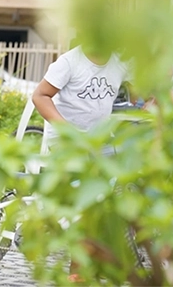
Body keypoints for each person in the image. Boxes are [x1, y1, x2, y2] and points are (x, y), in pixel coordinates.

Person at [31, 32, 130, 282]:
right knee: (89, 209)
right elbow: (40, 96)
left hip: (100, 145)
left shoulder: (119, 62)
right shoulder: (69, 62)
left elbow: (151, 83)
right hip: (67, 144)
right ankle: (77, 274)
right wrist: (69, 133)